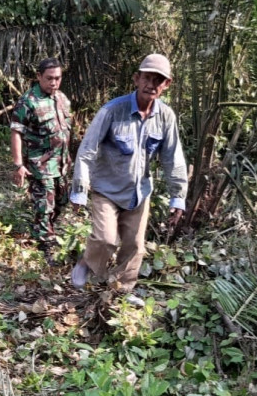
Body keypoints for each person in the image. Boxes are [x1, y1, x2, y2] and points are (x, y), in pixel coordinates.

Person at [69, 53, 188, 295]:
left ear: (167, 84)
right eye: (147, 78)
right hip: (106, 190)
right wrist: (80, 190)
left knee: (134, 246)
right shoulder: (112, 110)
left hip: (139, 193)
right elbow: (87, 151)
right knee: (105, 239)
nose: (151, 85)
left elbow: (172, 158)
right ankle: (88, 262)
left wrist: (178, 197)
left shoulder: (166, 117)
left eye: (158, 80)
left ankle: (118, 291)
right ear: (136, 78)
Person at [10, 58, 74, 265]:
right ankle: (46, 246)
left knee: (62, 201)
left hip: (62, 163)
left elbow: (66, 130)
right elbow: (16, 132)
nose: (54, 83)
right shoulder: (28, 101)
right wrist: (19, 164)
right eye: (49, 78)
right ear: (38, 77)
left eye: (57, 78)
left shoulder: (62, 99)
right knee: (45, 205)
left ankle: (42, 227)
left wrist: (69, 157)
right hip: (40, 165)